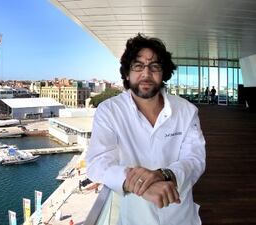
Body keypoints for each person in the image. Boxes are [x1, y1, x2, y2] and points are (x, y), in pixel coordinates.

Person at [86, 33, 206, 225]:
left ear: (163, 73)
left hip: (181, 216)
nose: (146, 73)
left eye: (154, 66)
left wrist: (165, 175)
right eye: (138, 66)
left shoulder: (186, 110)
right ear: (127, 73)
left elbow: (195, 159)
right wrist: (142, 185)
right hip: (134, 218)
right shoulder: (109, 111)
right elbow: (97, 162)